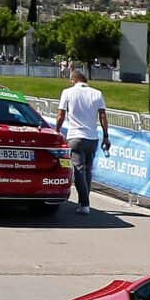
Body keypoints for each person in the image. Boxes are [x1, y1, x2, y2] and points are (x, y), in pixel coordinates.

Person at [54, 70, 110, 215]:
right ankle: (83, 201)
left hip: (75, 136)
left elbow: (61, 115)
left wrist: (57, 130)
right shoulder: (97, 93)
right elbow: (102, 115)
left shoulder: (67, 92)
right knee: (88, 170)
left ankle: (84, 203)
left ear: (74, 80)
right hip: (92, 137)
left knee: (79, 170)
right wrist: (106, 135)